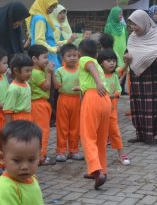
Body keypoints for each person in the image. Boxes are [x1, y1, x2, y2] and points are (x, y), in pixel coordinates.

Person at [123, 10, 157, 143]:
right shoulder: (132, 37)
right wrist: (126, 57)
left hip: (153, 75)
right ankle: (140, 134)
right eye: (131, 25)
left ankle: (152, 134)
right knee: (138, 104)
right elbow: (128, 52)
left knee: (154, 104)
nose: (133, 28)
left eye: (136, 24)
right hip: (137, 76)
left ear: (144, 22)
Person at [78, 39, 111, 189]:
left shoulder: (85, 59)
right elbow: (90, 75)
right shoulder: (97, 63)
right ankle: (101, 168)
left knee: (88, 136)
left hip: (92, 98)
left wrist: (98, 83)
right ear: (96, 53)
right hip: (105, 100)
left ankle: (96, 171)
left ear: (79, 52)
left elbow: (89, 67)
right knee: (101, 138)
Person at [98, 49, 130, 165]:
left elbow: (118, 89)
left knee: (115, 132)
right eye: (108, 61)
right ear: (101, 63)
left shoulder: (114, 76)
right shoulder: (98, 76)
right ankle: (97, 156)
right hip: (99, 109)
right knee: (98, 133)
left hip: (112, 110)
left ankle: (121, 154)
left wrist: (114, 94)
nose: (112, 63)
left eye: (113, 61)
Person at [54, 44, 84, 162]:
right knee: (62, 126)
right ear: (63, 58)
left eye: (75, 55)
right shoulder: (59, 71)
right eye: (69, 55)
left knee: (76, 127)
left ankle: (73, 150)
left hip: (78, 100)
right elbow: (57, 86)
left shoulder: (81, 70)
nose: (72, 58)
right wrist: (51, 74)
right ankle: (61, 151)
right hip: (63, 99)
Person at [27, 45, 55, 166]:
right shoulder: (36, 73)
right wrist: (48, 72)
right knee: (43, 131)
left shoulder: (37, 71)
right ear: (34, 59)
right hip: (39, 104)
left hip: (40, 104)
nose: (47, 60)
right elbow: (47, 86)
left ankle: (37, 155)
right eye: (45, 57)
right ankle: (41, 157)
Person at [27, 0, 60, 68]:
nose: (52, 10)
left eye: (54, 7)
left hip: (44, 54)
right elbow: (39, 41)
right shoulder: (40, 19)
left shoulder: (37, 17)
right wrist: (53, 49)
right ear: (44, 3)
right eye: (50, 6)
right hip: (46, 55)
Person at [3, 54, 33, 123]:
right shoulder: (13, 88)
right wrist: (10, 128)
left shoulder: (27, 84)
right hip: (18, 119)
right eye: (27, 71)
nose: (30, 73)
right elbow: (8, 111)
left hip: (28, 117)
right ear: (16, 71)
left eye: (31, 70)